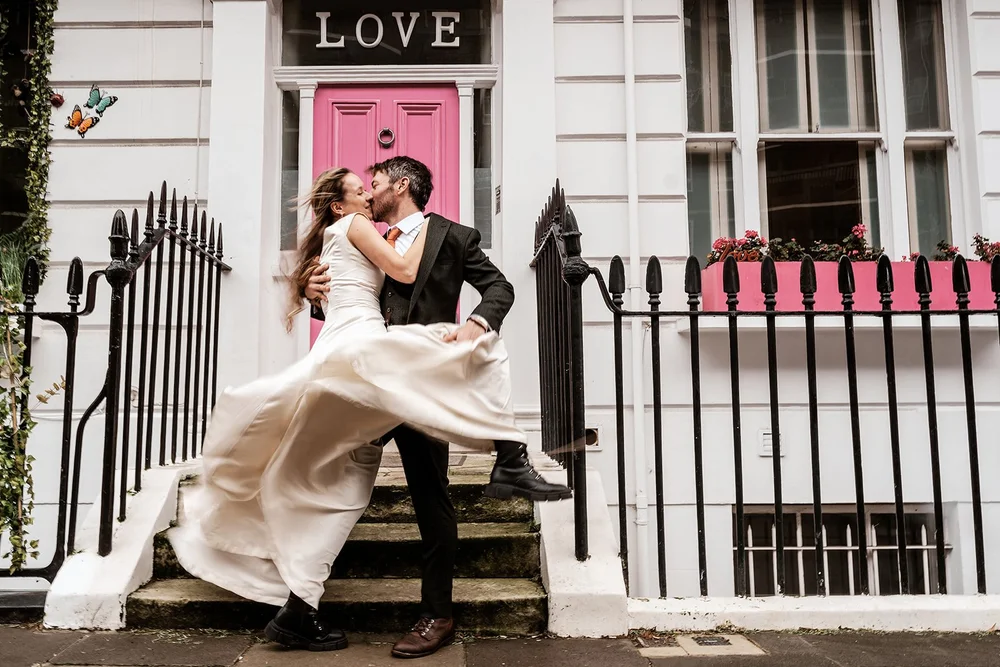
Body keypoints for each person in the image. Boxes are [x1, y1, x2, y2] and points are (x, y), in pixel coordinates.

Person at [169, 163, 569, 660]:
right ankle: (297, 604)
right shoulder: (362, 234)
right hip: (363, 383)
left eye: (374, 183)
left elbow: (499, 288)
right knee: (329, 481)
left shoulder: (454, 236)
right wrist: (315, 294)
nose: (369, 191)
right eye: (363, 187)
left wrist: (477, 322)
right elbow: (351, 295)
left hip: (415, 389)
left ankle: (437, 613)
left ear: (399, 186)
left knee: (431, 498)